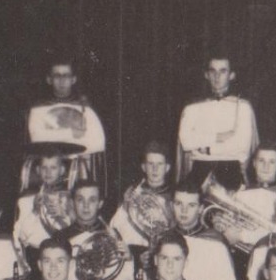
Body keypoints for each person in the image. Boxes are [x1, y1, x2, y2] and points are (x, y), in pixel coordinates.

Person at [23, 61, 106, 192]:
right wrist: (72, 134)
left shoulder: (84, 106)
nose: (62, 81)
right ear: (49, 79)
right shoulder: (38, 107)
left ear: (73, 79)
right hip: (47, 169)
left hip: (78, 169)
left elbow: (97, 142)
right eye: (57, 76)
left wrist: (58, 135)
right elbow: (38, 139)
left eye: (66, 76)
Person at [178, 56, 258, 190]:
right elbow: (186, 141)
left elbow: (241, 146)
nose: (217, 76)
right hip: (199, 171)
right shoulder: (192, 107)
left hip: (230, 171)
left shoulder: (243, 107)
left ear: (231, 75)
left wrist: (206, 149)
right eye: (212, 71)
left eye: (223, 71)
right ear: (206, 75)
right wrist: (217, 137)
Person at [170, 185, 240, 280]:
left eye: (191, 205)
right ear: (171, 205)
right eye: (178, 203)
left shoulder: (215, 242)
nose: (184, 210)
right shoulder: (164, 240)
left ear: (201, 209)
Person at [110, 142, 176, 256]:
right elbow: (116, 225)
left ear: (167, 167)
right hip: (133, 253)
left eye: (159, 164)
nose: (155, 169)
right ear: (144, 167)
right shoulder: (133, 193)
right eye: (150, 164)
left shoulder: (175, 196)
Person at [13, 144, 80, 254]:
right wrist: (34, 211)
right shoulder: (26, 200)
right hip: (36, 254)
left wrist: (65, 216)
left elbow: (79, 234)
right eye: (44, 167)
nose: (48, 172)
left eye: (53, 168)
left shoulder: (71, 200)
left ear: (62, 170)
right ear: (38, 170)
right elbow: (22, 236)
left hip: (63, 254)